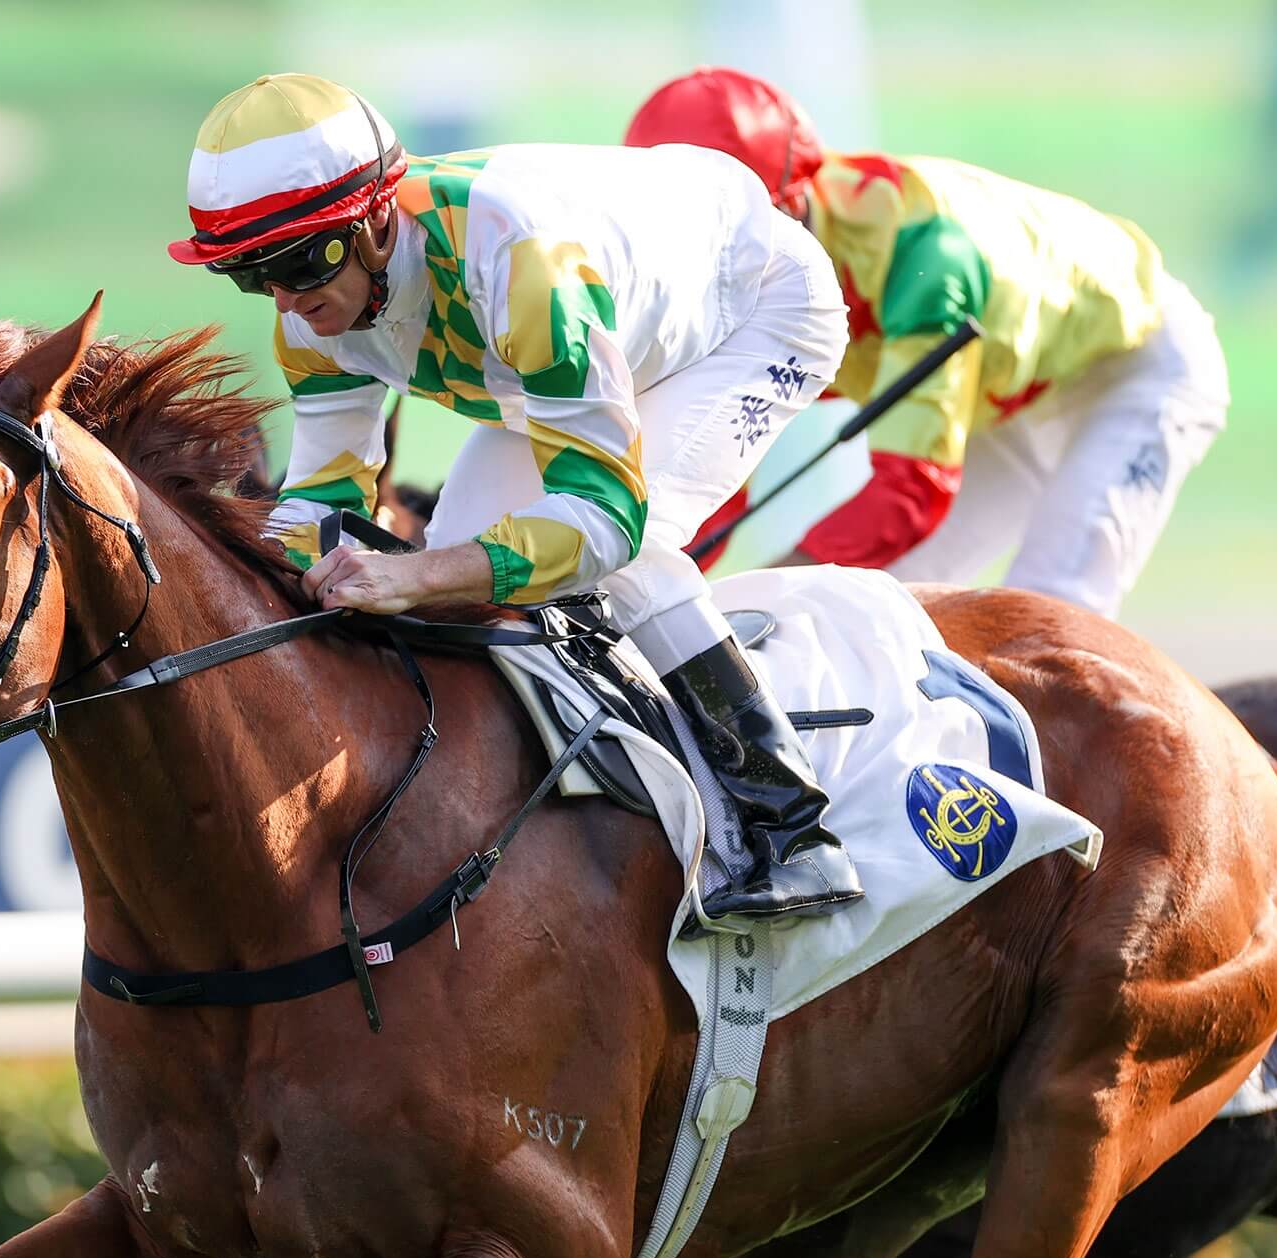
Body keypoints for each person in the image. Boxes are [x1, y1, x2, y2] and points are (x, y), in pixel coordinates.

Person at [165, 74, 858, 925]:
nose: (286, 298)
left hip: (753, 310)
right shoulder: (306, 314)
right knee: (469, 551)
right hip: (586, 334)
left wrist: (419, 574)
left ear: (379, 221)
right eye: (248, 274)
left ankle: (793, 828)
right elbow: (320, 500)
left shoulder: (518, 261)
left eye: (303, 260)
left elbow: (607, 520)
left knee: (614, 561)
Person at [627, 68, 1230, 619]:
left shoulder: (925, 260)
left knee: (1048, 612)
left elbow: (908, 490)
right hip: (997, 394)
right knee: (875, 611)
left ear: (789, 204)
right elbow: (713, 468)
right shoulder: (747, 269)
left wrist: (766, 592)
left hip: (1134, 366)